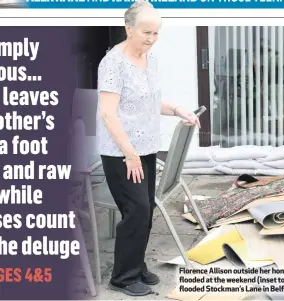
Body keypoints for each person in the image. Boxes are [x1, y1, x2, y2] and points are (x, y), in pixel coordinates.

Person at [96, 0, 201, 296]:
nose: (152, 39)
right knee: (137, 210)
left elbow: (150, 102)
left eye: (156, 33)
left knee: (146, 209)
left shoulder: (149, 60)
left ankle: (136, 265)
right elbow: (108, 113)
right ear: (129, 29)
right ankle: (122, 278)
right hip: (121, 152)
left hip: (146, 148)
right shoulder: (113, 64)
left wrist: (180, 110)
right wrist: (129, 154)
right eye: (146, 32)